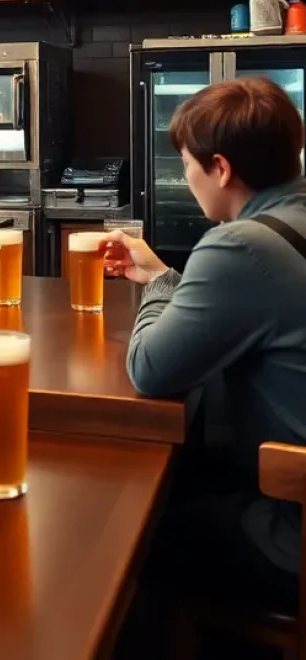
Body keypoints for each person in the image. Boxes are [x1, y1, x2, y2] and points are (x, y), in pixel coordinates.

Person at [105, 76, 306, 610]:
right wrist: (166, 275)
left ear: (220, 168)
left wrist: (164, 284)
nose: (185, 176)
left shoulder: (243, 246)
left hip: (292, 529)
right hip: (279, 474)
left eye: (187, 164)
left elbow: (149, 369)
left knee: (124, 536)